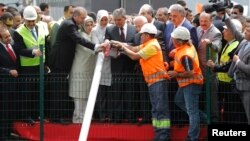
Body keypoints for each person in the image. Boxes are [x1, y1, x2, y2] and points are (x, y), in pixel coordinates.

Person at [111, 23, 171, 141]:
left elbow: (134, 56)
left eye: (142, 35)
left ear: (147, 35)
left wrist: (122, 48)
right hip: (154, 82)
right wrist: (120, 44)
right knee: (156, 110)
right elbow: (133, 48)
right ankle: (159, 135)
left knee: (160, 110)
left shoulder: (152, 46)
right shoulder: (148, 44)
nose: (140, 37)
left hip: (158, 82)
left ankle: (163, 136)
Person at [49, 7, 106, 123]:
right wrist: (95, 47)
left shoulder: (73, 24)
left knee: (60, 90)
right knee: (57, 91)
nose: (84, 19)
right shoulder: (69, 25)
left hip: (63, 62)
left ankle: (57, 116)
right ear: (75, 16)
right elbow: (79, 39)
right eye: (83, 17)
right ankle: (55, 118)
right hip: (59, 62)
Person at [167, 26, 204, 141]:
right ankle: (204, 119)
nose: (171, 40)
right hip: (186, 83)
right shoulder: (186, 46)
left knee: (192, 112)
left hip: (191, 83)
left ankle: (192, 137)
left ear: (179, 41)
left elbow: (191, 72)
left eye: (173, 39)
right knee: (179, 101)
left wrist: (175, 74)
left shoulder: (186, 54)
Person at [13, 5, 44, 123]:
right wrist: (32, 52)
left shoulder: (40, 27)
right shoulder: (18, 32)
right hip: (27, 67)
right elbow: (19, 49)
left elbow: (44, 44)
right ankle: (27, 116)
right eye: (29, 21)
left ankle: (37, 115)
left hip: (39, 65)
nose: (31, 23)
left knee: (38, 91)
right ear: (24, 19)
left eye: (33, 21)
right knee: (27, 93)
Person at [69, 16, 96, 123]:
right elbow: (89, 49)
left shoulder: (91, 35)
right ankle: (77, 119)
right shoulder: (81, 35)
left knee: (85, 95)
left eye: (91, 25)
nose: (89, 27)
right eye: (87, 25)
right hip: (80, 69)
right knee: (79, 95)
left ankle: (84, 117)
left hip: (88, 69)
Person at [196, 12, 222, 123]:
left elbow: (218, 47)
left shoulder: (216, 32)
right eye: (201, 21)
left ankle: (214, 121)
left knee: (212, 99)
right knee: (201, 98)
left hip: (209, 71)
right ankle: (204, 121)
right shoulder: (197, 29)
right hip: (198, 71)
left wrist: (210, 43)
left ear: (211, 20)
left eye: (205, 21)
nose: (202, 23)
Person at [92, 9, 112, 122]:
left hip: (109, 63)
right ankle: (101, 116)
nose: (104, 22)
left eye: (106, 19)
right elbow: (96, 46)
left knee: (109, 92)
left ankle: (108, 114)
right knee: (100, 93)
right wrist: (103, 45)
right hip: (99, 62)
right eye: (102, 19)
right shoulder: (95, 31)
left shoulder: (110, 29)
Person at [0, 25, 20, 140]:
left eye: (9, 35)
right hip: (4, 85)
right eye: (6, 37)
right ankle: (3, 135)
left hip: (14, 84)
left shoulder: (12, 45)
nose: (9, 38)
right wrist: (8, 71)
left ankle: (9, 132)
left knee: (11, 110)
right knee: (4, 111)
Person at [228, 23, 250, 125]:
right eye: (246, 29)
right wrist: (225, 17)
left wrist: (237, 61)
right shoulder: (245, 41)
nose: (245, 32)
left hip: (247, 88)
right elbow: (235, 32)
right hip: (239, 85)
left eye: (248, 31)